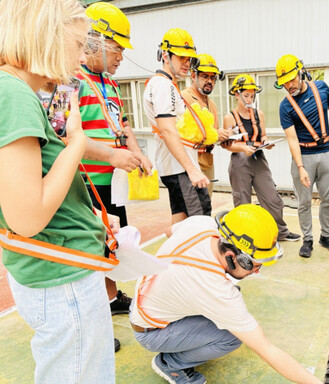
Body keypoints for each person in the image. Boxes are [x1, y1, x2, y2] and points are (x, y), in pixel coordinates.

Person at [0, 0, 117, 382]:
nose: (83, 55)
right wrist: (78, 143)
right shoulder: (14, 94)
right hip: (62, 276)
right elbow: (28, 217)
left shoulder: (17, 91)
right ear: (48, 36)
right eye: (79, 43)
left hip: (57, 270)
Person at [129, 204, 322, 384]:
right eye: (253, 265)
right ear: (230, 256)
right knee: (231, 337)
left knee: (228, 303)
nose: (256, 272)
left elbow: (169, 232)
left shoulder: (203, 224)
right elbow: (266, 349)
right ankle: (171, 363)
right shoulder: (215, 290)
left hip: (144, 301)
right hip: (152, 332)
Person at [77, 2, 152, 334]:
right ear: (93, 40)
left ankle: (110, 298)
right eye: (117, 47)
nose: (121, 56)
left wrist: (137, 153)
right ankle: (95, 322)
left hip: (114, 180)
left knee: (114, 242)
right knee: (94, 247)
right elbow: (63, 134)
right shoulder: (70, 79)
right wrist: (111, 155)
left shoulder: (110, 84)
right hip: (87, 182)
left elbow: (122, 124)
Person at [276, 54, 329, 258]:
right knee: (304, 202)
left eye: (292, 79)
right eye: (285, 82)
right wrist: (300, 167)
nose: (289, 85)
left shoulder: (322, 88)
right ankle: (307, 239)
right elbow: (291, 139)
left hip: (327, 152)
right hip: (304, 156)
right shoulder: (285, 106)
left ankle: (325, 236)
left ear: (301, 72)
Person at [144, 28, 212, 231]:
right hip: (180, 169)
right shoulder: (164, 86)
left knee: (180, 222)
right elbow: (167, 130)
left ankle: (170, 260)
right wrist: (191, 170)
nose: (186, 63)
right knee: (200, 223)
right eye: (181, 57)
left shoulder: (163, 85)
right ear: (165, 55)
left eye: (189, 58)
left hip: (174, 167)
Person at [223, 74, 301, 242]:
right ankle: (243, 236)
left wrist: (266, 143)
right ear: (236, 95)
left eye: (252, 95)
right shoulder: (229, 118)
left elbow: (263, 135)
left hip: (258, 157)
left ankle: (280, 232)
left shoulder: (259, 114)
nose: (250, 99)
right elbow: (227, 144)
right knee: (242, 200)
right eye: (246, 95)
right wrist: (244, 147)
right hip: (239, 161)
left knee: (272, 197)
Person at [181, 53, 231, 198]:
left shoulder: (212, 104)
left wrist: (223, 137)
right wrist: (215, 134)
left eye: (212, 77)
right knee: (193, 209)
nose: (209, 81)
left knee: (206, 205)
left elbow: (211, 133)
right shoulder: (185, 98)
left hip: (207, 160)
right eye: (204, 76)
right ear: (193, 75)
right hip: (191, 162)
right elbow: (185, 134)